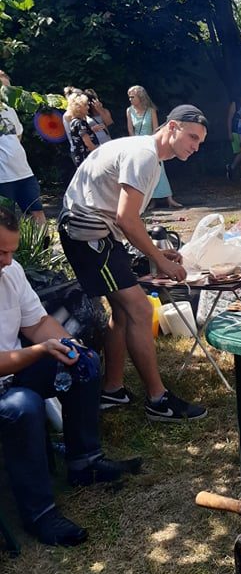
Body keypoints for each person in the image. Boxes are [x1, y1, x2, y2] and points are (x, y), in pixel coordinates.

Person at [0, 206, 142, 546]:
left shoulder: (12, 272)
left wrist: (68, 344)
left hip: (12, 371)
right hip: (9, 379)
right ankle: (40, 515)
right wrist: (41, 351)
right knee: (24, 407)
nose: (7, 260)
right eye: (0, 252)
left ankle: (85, 462)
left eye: (11, 251)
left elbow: (35, 323)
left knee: (81, 364)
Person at [58, 105, 209, 421]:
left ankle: (112, 389)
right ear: (171, 127)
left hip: (97, 232)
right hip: (87, 233)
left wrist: (153, 249)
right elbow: (126, 219)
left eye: (200, 143)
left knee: (125, 312)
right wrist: (159, 261)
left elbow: (121, 215)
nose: (195, 147)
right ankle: (158, 400)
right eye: (192, 137)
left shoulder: (145, 154)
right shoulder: (145, 155)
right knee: (139, 308)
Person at [0, 70, 47, 224]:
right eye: (4, 88)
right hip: (3, 177)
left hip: (24, 172)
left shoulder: (10, 110)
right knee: (6, 218)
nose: (8, 93)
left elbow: (18, 135)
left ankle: (44, 247)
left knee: (37, 212)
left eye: (10, 88)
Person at [126, 85, 182, 209]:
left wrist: (152, 142)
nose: (130, 99)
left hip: (151, 141)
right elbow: (130, 129)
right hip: (137, 143)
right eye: (129, 97)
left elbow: (156, 128)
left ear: (140, 97)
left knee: (160, 170)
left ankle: (169, 198)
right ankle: (151, 200)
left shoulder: (150, 110)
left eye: (132, 97)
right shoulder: (129, 111)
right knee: (145, 172)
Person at [66, 93, 98, 166]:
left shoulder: (73, 122)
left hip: (81, 160)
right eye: (85, 105)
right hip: (88, 159)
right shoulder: (80, 123)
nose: (88, 107)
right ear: (78, 108)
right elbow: (88, 143)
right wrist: (98, 153)